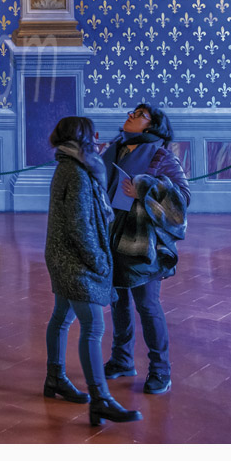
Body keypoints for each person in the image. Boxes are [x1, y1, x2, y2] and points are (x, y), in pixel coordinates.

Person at [44, 116, 143, 426]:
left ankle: (55, 379)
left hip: (63, 255)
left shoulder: (71, 164)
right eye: (91, 133)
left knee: (62, 316)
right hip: (75, 259)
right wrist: (98, 261)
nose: (97, 136)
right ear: (80, 137)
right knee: (93, 326)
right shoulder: (75, 170)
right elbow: (78, 224)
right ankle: (100, 399)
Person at [101, 104, 189, 395]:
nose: (130, 116)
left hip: (143, 242)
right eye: (132, 113)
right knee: (118, 302)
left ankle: (160, 370)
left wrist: (143, 187)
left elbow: (183, 196)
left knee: (148, 306)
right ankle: (122, 359)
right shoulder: (115, 149)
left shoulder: (161, 155)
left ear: (152, 127)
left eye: (139, 115)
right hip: (114, 235)